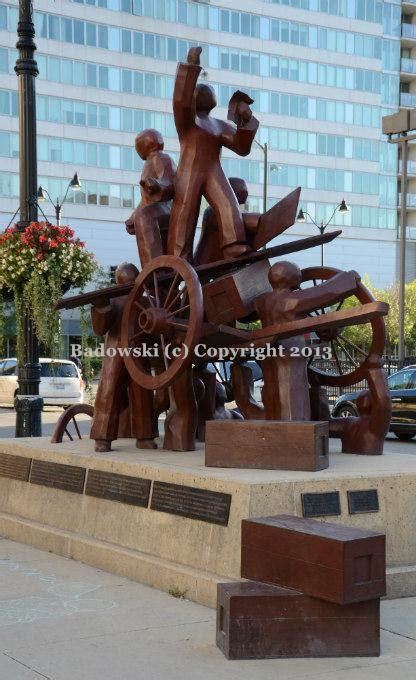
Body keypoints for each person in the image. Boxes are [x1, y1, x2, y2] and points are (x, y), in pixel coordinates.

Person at [167, 46, 259, 262]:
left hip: (213, 170)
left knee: (228, 203)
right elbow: (180, 103)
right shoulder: (190, 120)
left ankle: (233, 246)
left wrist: (246, 119)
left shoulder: (218, 126)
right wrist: (191, 66)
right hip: (190, 170)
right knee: (185, 213)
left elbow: (241, 147)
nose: (210, 94)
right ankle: (179, 258)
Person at [253, 261, 361, 421]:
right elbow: (326, 292)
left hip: (269, 350)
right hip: (291, 350)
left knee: (272, 386)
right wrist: (350, 278)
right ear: (293, 279)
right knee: (293, 387)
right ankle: (295, 428)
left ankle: (274, 426)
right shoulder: (290, 300)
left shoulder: (261, 302)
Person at [90, 263, 158, 452]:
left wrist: (101, 307)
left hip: (126, 353)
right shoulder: (135, 301)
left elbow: (99, 329)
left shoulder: (144, 301)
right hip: (127, 354)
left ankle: (104, 439)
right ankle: (141, 438)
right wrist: (101, 306)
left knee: (119, 394)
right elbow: (100, 328)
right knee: (115, 392)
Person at [125, 129, 176, 266]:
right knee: (142, 215)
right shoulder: (148, 164)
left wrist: (156, 184)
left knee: (144, 216)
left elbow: (170, 180)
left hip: (166, 208)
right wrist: (132, 217)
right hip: (155, 209)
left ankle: (153, 267)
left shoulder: (161, 158)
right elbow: (145, 201)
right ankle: (158, 266)